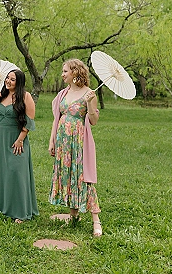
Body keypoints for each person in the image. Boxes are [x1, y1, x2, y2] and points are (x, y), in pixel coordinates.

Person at [48, 59, 102, 237]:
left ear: (75, 72)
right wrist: (52, 141)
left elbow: (93, 121)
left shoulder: (89, 93)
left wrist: (89, 104)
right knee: (69, 174)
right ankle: (73, 215)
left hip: (79, 140)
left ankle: (96, 220)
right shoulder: (63, 93)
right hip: (63, 140)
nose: (62, 74)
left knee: (83, 176)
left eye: (65, 71)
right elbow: (57, 118)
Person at [0, 69, 38, 223]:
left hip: (16, 138)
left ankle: (20, 211)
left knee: (16, 171)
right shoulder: (2, 95)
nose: (8, 81)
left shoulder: (25, 96)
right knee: (1, 171)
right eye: (7, 78)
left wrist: (20, 139)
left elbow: (29, 121)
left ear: (19, 82)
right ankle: (1, 205)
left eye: (12, 79)